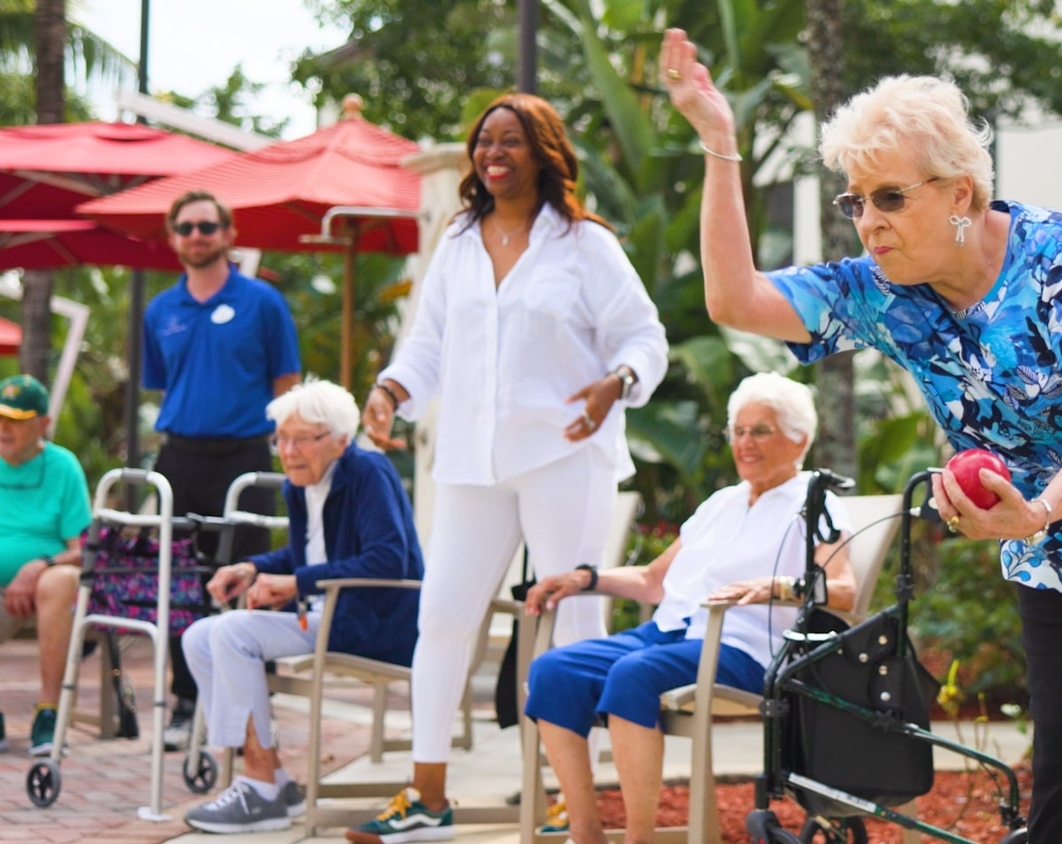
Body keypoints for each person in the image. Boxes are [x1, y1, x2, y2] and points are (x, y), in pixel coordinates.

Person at [660, 30, 1062, 844]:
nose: (868, 223)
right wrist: (719, 146)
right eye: (855, 201)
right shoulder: (883, 294)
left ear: (961, 195)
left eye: (890, 198)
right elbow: (737, 302)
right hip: (1057, 535)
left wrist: (1034, 512)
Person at [349, 92, 668, 843]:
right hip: (468, 459)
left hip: (563, 452)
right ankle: (426, 795)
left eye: (511, 140)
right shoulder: (458, 243)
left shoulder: (586, 245)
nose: (493, 153)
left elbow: (644, 338)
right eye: (484, 141)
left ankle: (572, 799)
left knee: (574, 621)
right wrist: (392, 390)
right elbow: (425, 345)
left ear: (544, 152)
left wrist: (614, 383)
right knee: (442, 619)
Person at [524, 372, 856, 844]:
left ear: (799, 438)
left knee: (632, 675)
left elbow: (843, 589)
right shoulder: (722, 503)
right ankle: (586, 833)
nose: (745, 443)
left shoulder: (813, 503)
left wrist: (776, 586)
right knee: (552, 671)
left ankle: (640, 839)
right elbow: (653, 581)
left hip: (741, 649)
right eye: (738, 431)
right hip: (671, 635)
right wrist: (585, 578)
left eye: (760, 430)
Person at [180, 380, 423, 834]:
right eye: (281, 439)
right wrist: (252, 568)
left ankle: (262, 787)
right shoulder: (301, 485)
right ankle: (269, 775)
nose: (288, 451)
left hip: (374, 625)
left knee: (232, 633)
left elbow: (389, 557)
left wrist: (294, 583)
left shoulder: (368, 472)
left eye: (301, 440)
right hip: (327, 616)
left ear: (341, 440)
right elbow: (309, 555)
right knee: (198, 637)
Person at [144, 189, 303, 750]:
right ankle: (186, 703)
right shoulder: (160, 310)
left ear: (228, 233)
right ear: (173, 238)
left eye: (206, 226)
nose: (196, 236)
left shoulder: (262, 302)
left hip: (245, 459)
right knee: (179, 584)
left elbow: (287, 384)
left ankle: (250, 708)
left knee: (247, 576)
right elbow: (164, 384)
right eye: (185, 227)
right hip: (180, 458)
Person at [0, 374, 92, 757]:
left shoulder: (63, 466)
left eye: (16, 420)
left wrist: (39, 565)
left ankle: (49, 712)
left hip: (49, 594)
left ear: (43, 424)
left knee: (59, 580)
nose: (4, 429)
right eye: (1, 418)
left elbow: (85, 548)